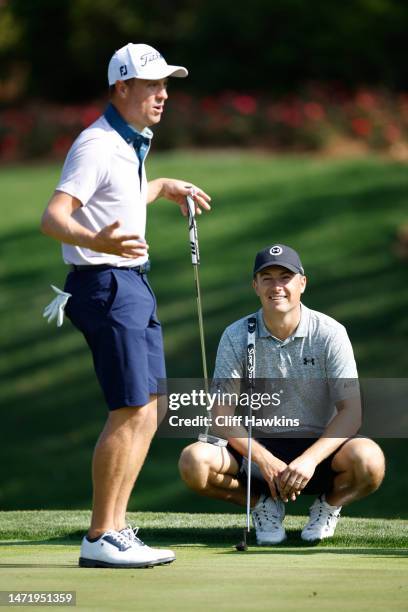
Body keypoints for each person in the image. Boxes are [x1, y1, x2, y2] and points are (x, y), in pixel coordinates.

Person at [40, 43, 211, 568]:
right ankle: (100, 535)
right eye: (152, 85)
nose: (163, 95)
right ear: (122, 87)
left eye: (166, 85)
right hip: (107, 285)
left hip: (130, 283)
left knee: (151, 407)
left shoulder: (129, 141)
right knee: (131, 407)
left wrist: (158, 186)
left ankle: (115, 528)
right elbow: (53, 217)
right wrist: (105, 244)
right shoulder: (96, 144)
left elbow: (115, 197)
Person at [179, 244, 385, 544]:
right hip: (255, 451)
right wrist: (264, 460)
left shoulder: (330, 333)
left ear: (302, 283)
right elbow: (220, 415)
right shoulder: (236, 335)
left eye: (285, 277)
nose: (277, 286)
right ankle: (262, 506)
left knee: (370, 462)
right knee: (193, 463)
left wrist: (309, 461)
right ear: (255, 285)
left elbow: (351, 412)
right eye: (267, 278)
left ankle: (328, 506)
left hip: (320, 449)